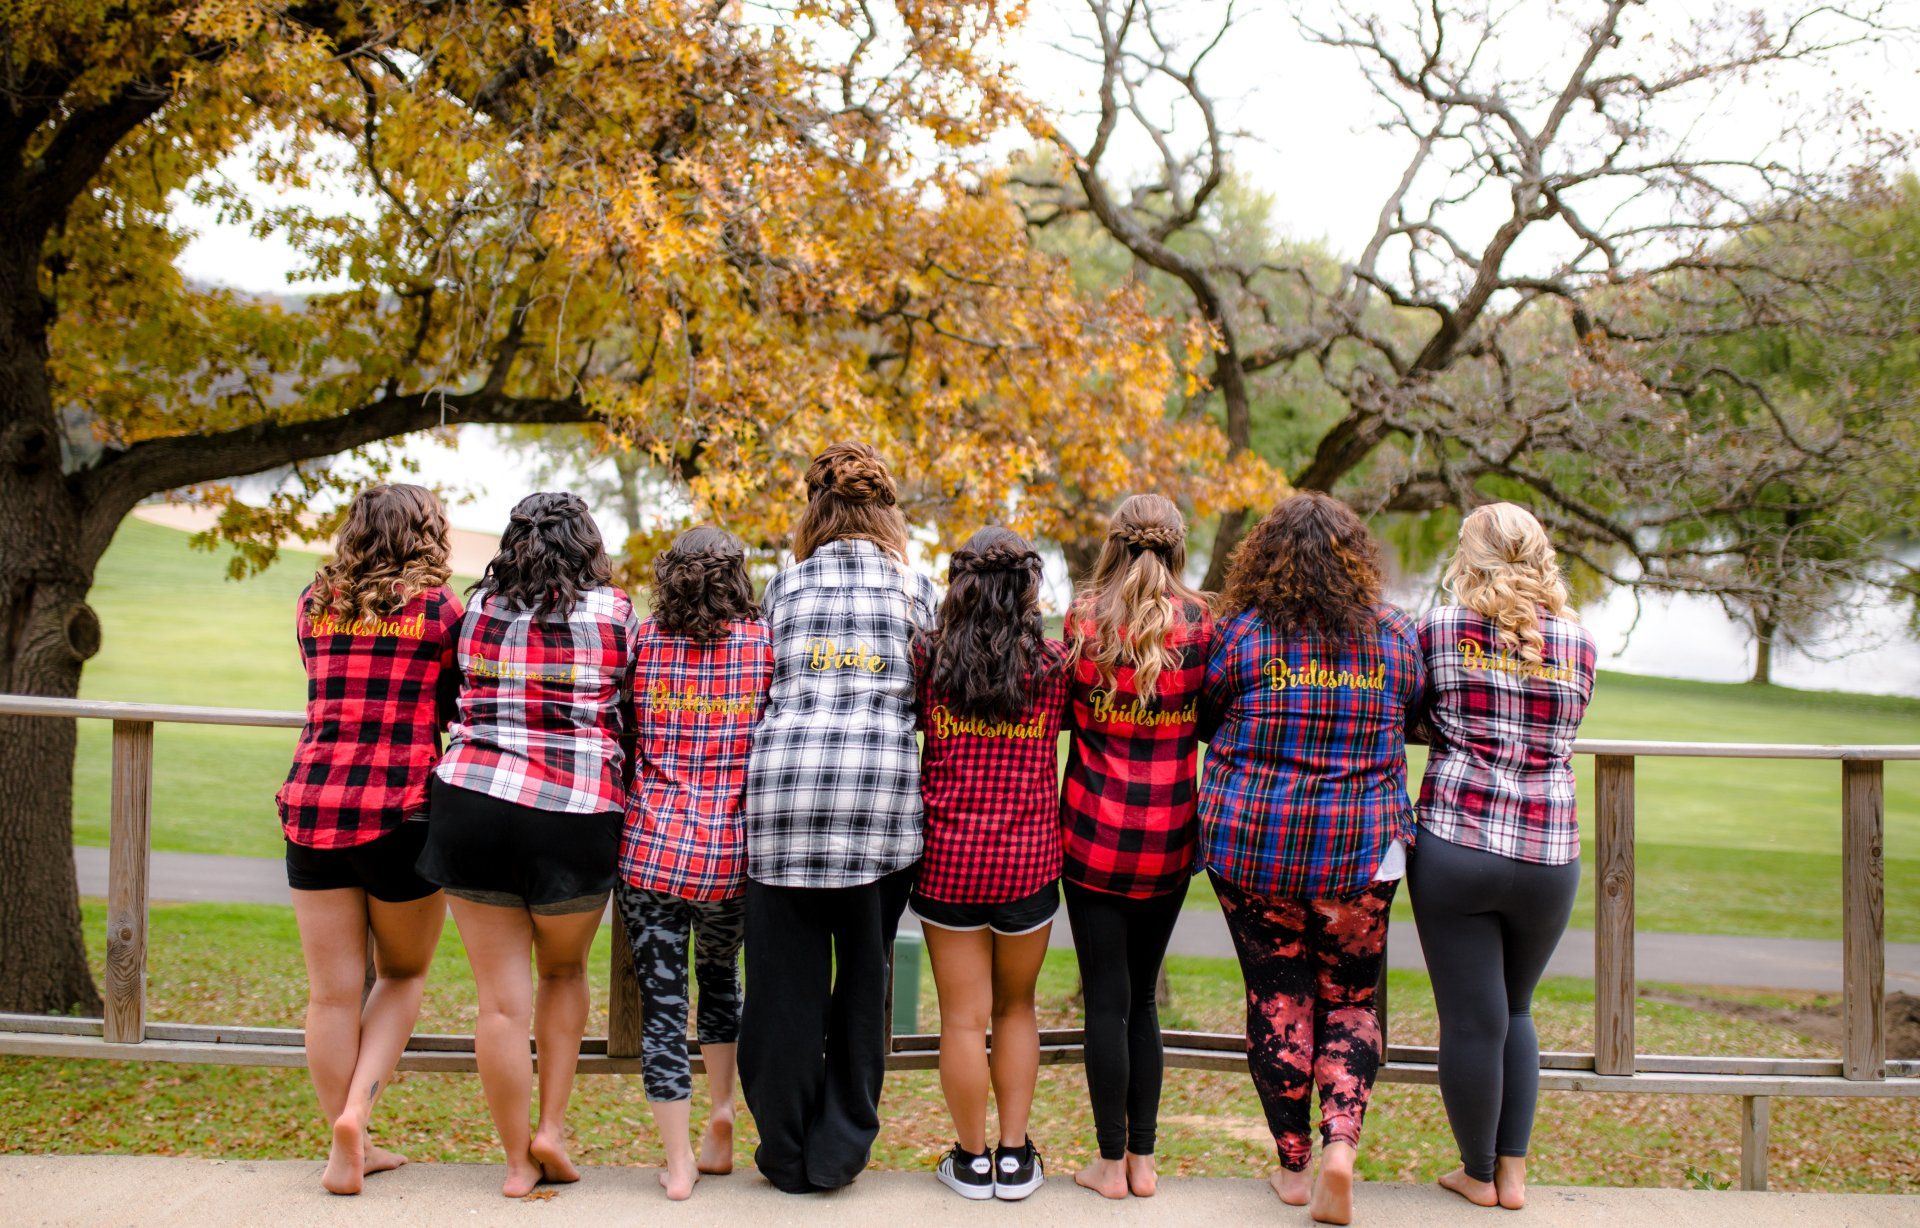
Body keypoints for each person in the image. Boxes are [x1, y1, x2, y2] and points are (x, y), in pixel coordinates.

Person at [1198, 491, 1425, 1227]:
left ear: (1264, 557)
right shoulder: (1395, 635)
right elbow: (1416, 711)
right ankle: (1341, 1148)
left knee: (1277, 996)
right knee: (1350, 1002)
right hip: (1361, 852)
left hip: (1254, 845)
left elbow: (1205, 714)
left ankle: (1293, 1169)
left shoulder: (1242, 634)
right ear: (1357, 558)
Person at [416, 492, 639, 1198]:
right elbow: (633, 709)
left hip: (473, 802)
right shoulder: (616, 614)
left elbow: (453, 697)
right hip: (574, 814)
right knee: (564, 975)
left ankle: (517, 1164)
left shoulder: (475, 611)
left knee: (499, 1004)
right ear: (588, 545)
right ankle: (552, 1129)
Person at [738, 442, 940, 1194]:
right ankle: (841, 1146)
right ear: (887, 516)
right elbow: (928, 697)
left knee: (781, 988)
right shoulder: (918, 589)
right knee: (863, 983)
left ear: (813, 514)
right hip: (878, 810)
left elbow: (761, 685)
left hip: (783, 804)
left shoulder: (781, 590)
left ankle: (783, 1146)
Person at [1408, 504, 1597, 1212]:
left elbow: (1410, 711)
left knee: (1469, 1021)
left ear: (1470, 559)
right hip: (1551, 853)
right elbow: (1569, 724)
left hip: (1459, 842)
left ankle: (1476, 1173)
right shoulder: (1579, 643)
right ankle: (1512, 1178)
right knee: (1516, 1012)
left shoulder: (1438, 629)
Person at [277, 483, 461, 1195]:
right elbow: (451, 699)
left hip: (313, 802)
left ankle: (342, 1146)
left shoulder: (313, 602)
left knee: (329, 995)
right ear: (426, 534)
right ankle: (359, 1112)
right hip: (403, 808)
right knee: (402, 974)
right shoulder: (442, 610)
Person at [1058, 494, 1213, 1200]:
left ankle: (1109, 1165)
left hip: (1092, 835)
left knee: (1106, 1003)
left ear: (1114, 545)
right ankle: (1144, 1162)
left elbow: (1063, 710)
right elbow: (1212, 716)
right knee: (1144, 1001)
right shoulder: (1204, 624)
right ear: (1177, 547)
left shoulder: (1083, 620)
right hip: (1172, 837)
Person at [614, 527, 773, 1200]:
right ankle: (720, 1117)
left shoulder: (643, 643)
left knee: (662, 1005)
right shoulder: (763, 647)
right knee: (722, 987)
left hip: (653, 850)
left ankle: (678, 1164)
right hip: (729, 857)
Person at [910, 527, 1068, 1202]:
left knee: (961, 1019)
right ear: (1027, 587)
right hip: (1029, 860)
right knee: (1017, 1008)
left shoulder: (931, 659)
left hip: (948, 860)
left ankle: (971, 1161)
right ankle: (1015, 1154)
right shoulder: (1054, 666)